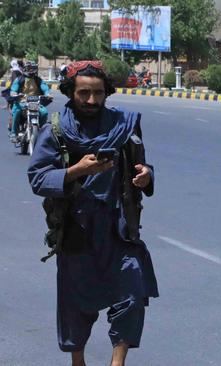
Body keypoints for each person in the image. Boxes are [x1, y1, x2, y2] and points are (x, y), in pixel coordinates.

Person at [27, 60, 159, 366]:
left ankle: (117, 362)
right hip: (77, 230)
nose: (91, 100)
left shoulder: (124, 125)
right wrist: (76, 170)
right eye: (84, 93)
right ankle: (78, 360)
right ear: (71, 92)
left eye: (98, 93)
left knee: (132, 294)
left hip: (119, 229)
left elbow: (143, 165)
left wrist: (146, 176)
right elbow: (38, 178)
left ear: (106, 93)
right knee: (76, 303)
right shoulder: (57, 131)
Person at [9, 60, 50, 142]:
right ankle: (14, 134)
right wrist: (14, 93)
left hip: (36, 103)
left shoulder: (38, 80)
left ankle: (42, 132)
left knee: (44, 112)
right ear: (25, 69)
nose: (32, 70)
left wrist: (47, 94)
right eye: (30, 68)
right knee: (16, 111)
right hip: (22, 102)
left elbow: (45, 88)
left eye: (33, 68)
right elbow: (13, 89)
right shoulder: (19, 79)